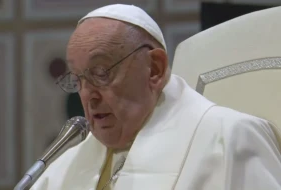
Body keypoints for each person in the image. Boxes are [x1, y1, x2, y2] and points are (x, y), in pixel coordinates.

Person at [30, 4, 281, 190]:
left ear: (155, 69)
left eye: (101, 72)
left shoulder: (229, 140)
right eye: (78, 78)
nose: (87, 95)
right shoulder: (68, 165)